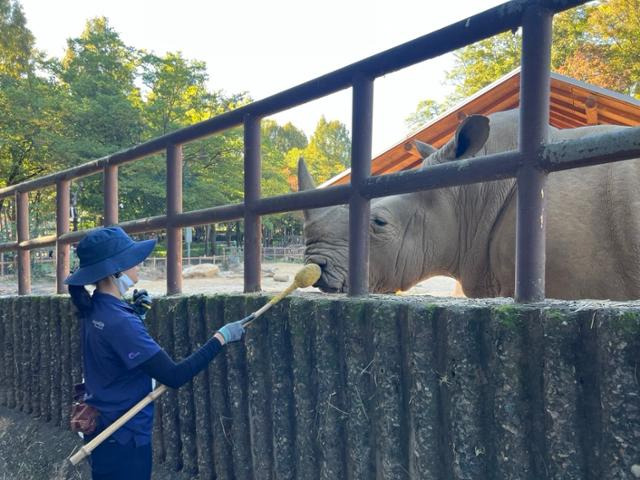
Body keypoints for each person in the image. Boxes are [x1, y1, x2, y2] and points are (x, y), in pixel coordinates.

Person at [65, 226, 245, 480]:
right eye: (131, 260)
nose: (138, 264)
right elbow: (174, 375)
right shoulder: (119, 321)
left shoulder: (95, 308)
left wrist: (136, 314)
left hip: (103, 430)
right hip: (125, 437)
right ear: (114, 271)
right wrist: (221, 338)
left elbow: (114, 346)